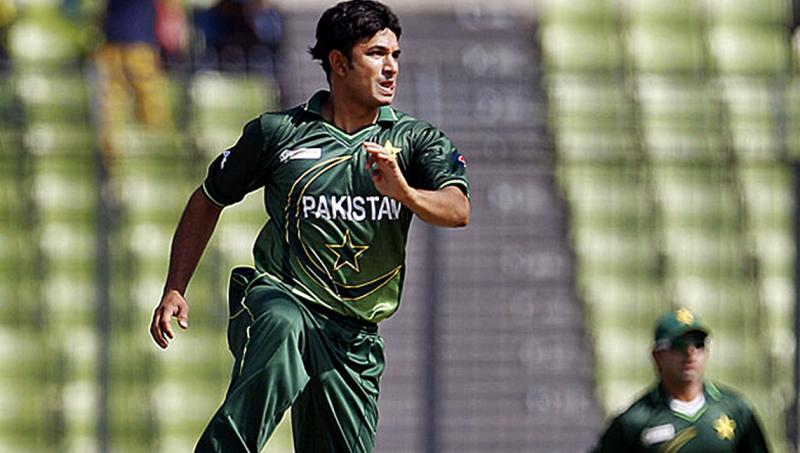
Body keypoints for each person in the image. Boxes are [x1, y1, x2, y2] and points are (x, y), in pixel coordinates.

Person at [149, 1, 471, 452]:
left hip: (354, 334)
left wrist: (407, 194)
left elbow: (458, 209)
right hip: (282, 297)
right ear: (338, 62)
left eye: (395, 55)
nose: (391, 67)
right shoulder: (278, 132)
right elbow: (208, 198)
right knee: (283, 325)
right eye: (376, 54)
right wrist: (175, 287)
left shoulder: (415, 141)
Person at [591, 307, 770, 453]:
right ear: (657, 355)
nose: (690, 353)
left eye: (699, 344)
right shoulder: (635, 421)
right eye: (679, 345)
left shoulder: (736, 410)